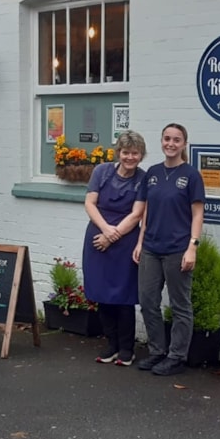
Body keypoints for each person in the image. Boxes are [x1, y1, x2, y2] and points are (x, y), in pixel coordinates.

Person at [135, 123, 205, 376]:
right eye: (167, 139)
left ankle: (176, 356)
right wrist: (141, 242)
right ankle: (157, 351)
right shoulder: (151, 173)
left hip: (178, 249)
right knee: (147, 300)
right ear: (161, 141)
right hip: (151, 248)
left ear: (184, 144)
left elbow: (197, 214)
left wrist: (192, 247)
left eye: (176, 140)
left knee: (179, 305)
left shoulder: (191, 175)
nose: (171, 144)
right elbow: (147, 211)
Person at [82, 130, 148, 365]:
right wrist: (105, 230)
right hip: (98, 237)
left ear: (141, 155)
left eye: (135, 153)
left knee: (124, 296)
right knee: (102, 294)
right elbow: (90, 203)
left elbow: (137, 213)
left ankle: (127, 349)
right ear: (118, 152)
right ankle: (111, 344)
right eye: (126, 152)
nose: (130, 157)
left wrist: (113, 235)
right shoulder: (101, 172)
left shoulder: (142, 178)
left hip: (125, 240)